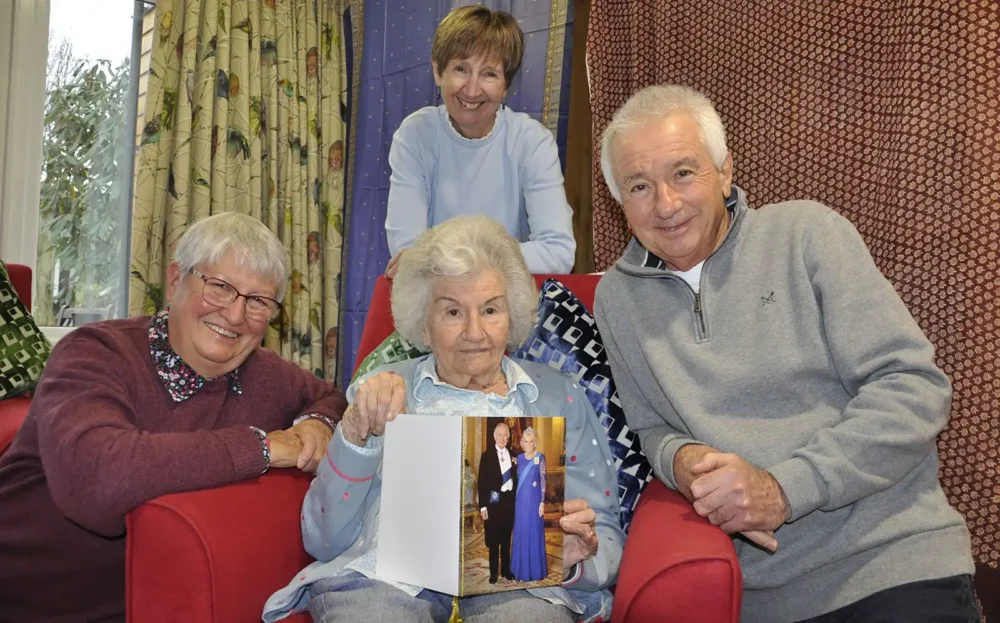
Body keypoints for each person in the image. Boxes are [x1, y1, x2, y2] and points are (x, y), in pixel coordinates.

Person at [593, 84, 979, 623]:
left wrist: (785, 488)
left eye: (684, 172)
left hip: (890, 562)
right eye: (639, 185)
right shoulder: (617, 297)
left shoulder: (806, 234)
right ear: (619, 202)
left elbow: (913, 388)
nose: (666, 204)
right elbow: (651, 429)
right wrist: (681, 462)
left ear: (725, 172)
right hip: (761, 599)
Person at [264, 216, 623, 623]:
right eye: (453, 311)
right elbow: (322, 538)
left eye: (490, 309)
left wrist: (575, 558)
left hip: (520, 586)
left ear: (513, 314)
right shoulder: (381, 390)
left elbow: (609, 532)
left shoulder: (560, 395)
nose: (475, 331)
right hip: (383, 582)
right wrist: (354, 437)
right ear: (423, 322)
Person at [0, 213, 346, 623]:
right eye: (219, 287)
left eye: (258, 301)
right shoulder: (93, 353)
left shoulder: (266, 373)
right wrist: (265, 446)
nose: (235, 315)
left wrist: (315, 424)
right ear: (175, 279)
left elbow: (331, 399)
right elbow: (96, 481)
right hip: (28, 596)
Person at [383, 6, 576, 278]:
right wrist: (498, 255)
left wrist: (445, 256)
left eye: (489, 74)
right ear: (438, 72)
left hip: (506, 302)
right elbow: (407, 252)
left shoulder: (532, 142)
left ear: (506, 84)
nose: (472, 90)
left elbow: (558, 253)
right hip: (435, 300)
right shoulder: (415, 135)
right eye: (461, 68)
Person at [478, 421, 518, 584]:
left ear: (508, 437)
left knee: (506, 539)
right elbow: (482, 482)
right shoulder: (487, 456)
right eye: (500, 435)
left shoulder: (513, 454)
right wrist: (483, 506)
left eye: (505, 435)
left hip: (509, 502)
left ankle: (506, 570)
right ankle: (494, 573)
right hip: (493, 503)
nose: (503, 438)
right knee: (494, 541)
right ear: (494, 436)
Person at [511, 426, 548, 582]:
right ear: (521, 442)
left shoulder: (540, 457)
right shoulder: (518, 458)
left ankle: (534, 571)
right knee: (521, 531)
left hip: (534, 502)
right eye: (525, 441)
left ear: (535, 442)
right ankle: (519, 570)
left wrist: (542, 502)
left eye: (531, 441)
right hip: (520, 503)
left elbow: (543, 481)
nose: (528, 444)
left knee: (533, 532)